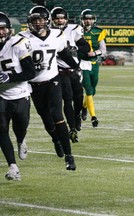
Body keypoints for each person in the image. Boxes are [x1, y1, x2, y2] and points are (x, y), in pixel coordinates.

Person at [18, 5, 81, 171]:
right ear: (29, 21)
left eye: (40, 20)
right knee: (46, 120)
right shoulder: (21, 38)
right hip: (33, 85)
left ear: (47, 20)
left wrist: (75, 66)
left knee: (57, 115)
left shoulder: (56, 35)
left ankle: (69, 156)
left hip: (52, 80)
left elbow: (63, 53)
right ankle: (56, 140)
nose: (38, 23)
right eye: (34, 20)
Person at [0, 12, 36, 180]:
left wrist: (10, 77)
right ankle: (13, 167)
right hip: (1, 95)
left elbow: (30, 72)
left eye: (2, 29)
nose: (0, 32)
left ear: (9, 29)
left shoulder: (18, 44)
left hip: (20, 94)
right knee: (1, 130)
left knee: (20, 128)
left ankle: (21, 140)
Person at [50, 7, 90, 142]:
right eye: (57, 18)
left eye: (62, 18)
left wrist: (76, 48)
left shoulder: (73, 30)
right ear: (52, 19)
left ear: (66, 19)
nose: (60, 20)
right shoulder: (48, 33)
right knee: (67, 99)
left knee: (79, 98)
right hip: (60, 71)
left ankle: (77, 116)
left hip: (74, 70)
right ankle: (72, 127)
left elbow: (87, 48)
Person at [78, 9, 107, 127]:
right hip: (82, 64)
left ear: (93, 20)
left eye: (90, 19)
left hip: (94, 64)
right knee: (88, 90)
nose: (88, 21)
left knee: (93, 90)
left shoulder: (98, 32)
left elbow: (104, 50)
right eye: (86, 19)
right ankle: (93, 117)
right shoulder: (77, 31)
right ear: (82, 20)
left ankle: (84, 107)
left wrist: (95, 53)